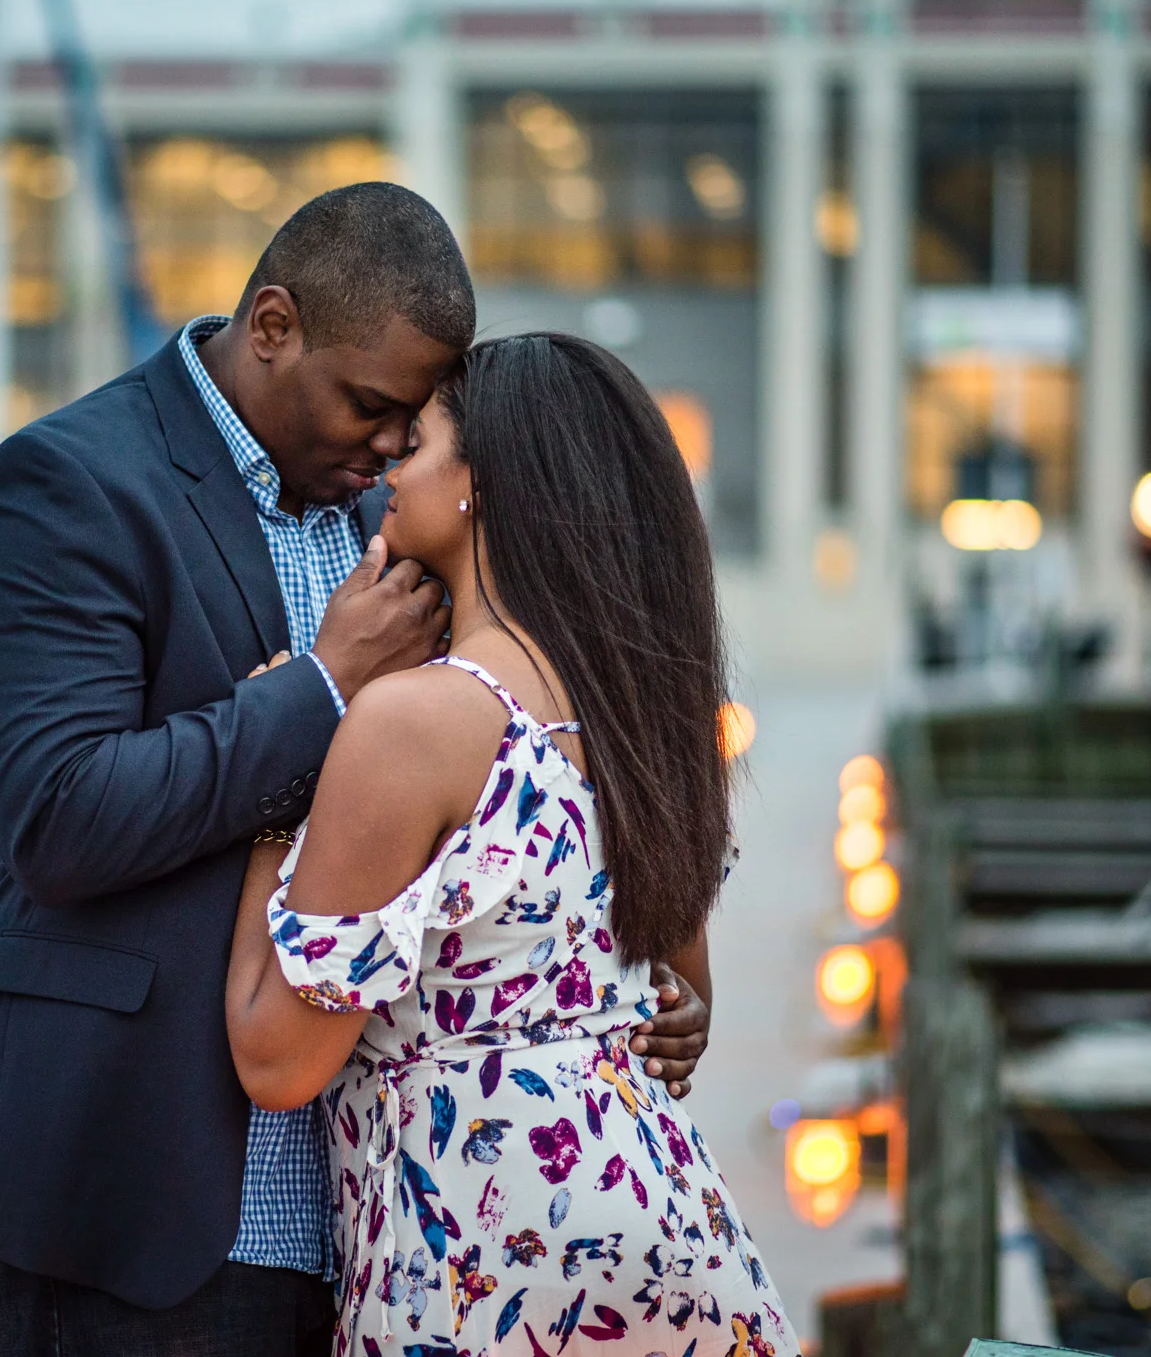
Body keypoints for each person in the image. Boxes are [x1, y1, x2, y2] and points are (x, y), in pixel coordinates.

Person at [0, 182, 715, 1356]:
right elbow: (57, 816)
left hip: (388, 1224)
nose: (387, 447)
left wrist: (619, 996)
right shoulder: (67, 484)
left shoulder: (397, 527)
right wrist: (317, 693)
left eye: (410, 423)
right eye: (370, 405)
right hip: (140, 1199)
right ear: (271, 325)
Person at [226, 333, 799, 1356]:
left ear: (480, 486)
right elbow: (679, 996)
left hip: (478, 1257)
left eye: (422, 439)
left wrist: (275, 801)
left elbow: (276, 1056)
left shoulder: (414, 723)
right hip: (659, 1230)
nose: (392, 461)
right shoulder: (647, 715)